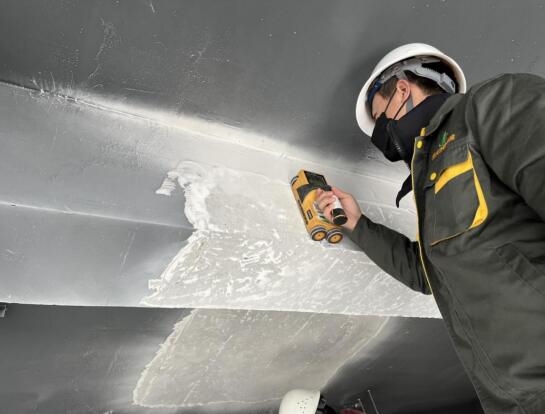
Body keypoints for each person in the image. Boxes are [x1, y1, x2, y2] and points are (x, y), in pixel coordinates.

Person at [316, 43, 545, 414]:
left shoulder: (489, 105)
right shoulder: (428, 179)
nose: (383, 137)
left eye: (380, 118)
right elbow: (428, 274)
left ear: (403, 88)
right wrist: (357, 224)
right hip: (512, 400)